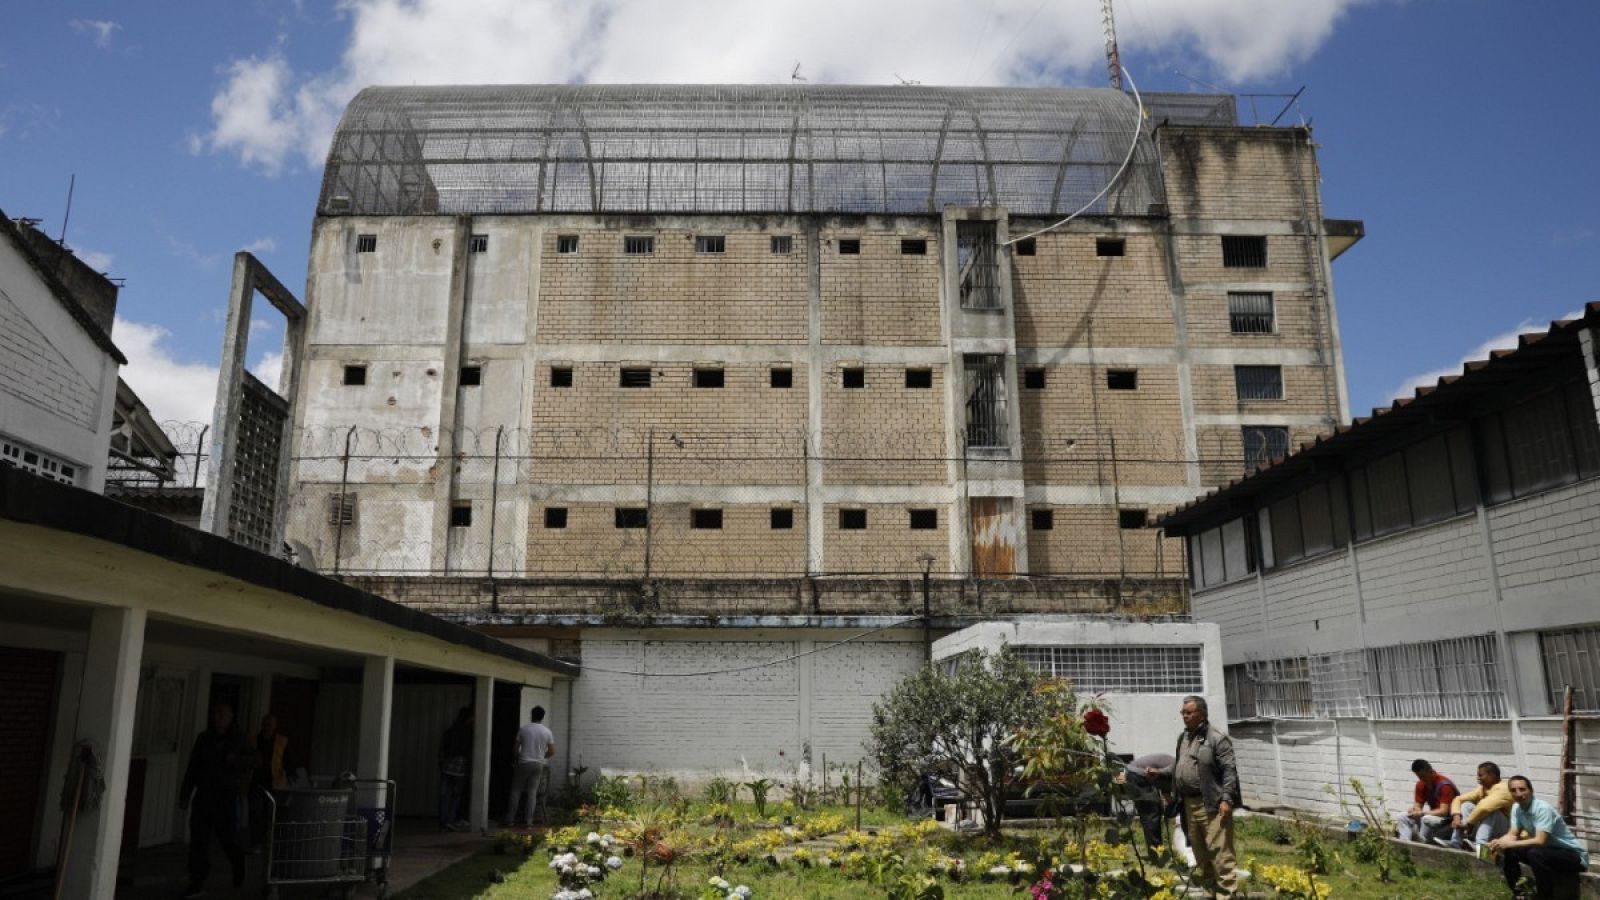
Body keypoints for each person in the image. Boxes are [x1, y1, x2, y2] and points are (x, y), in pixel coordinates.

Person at [1150, 695, 1239, 898]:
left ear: (1202, 713)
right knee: (1202, 855)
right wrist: (1161, 772)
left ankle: (1227, 895)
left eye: (1189, 712)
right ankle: (1210, 894)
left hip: (1212, 805)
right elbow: (1180, 765)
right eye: (1183, 712)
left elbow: (1229, 770)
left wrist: (1226, 799)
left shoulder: (1217, 738)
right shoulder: (1184, 738)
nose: (1185, 716)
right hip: (1189, 805)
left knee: (1221, 856)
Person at [179, 702, 258, 898]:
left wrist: (236, 761)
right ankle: (197, 881)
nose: (218, 718)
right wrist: (185, 794)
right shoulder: (204, 739)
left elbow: (257, 760)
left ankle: (238, 862)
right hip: (204, 794)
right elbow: (193, 767)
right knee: (199, 840)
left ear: (230, 717)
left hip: (226, 794)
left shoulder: (239, 738)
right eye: (216, 714)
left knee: (227, 837)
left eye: (222, 714)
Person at [1488, 775, 1589, 899]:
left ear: (1531, 790)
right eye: (1513, 790)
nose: (1518, 793)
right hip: (1547, 854)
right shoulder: (1516, 808)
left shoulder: (1542, 809)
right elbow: (1512, 834)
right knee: (1511, 850)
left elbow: (1540, 841)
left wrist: (1510, 843)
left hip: (1574, 857)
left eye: (1522, 789)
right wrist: (1498, 842)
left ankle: (1544, 896)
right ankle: (1520, 893)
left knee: (1535, 853)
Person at [1437, 760, 1512, 851]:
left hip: (1506, 831)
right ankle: (1456, 842)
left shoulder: (1503, 788)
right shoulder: (1482, 789)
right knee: (1467, 805)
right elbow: (1458, 799)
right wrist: (1456, 817)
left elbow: (1484, 807)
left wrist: (1469, 824)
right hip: (1486, 829)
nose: (1477, 778)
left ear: (1492, 776)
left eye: (1480, 775)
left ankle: (1480, 844)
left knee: (1492, 811)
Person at [505, 705, 555, 827]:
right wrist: (541, 757)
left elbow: (515, 749)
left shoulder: (524, 729)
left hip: (523, 762)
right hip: (538, 764)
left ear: (531, 715)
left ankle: (510, 819)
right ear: (543, 717)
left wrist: (517, 759)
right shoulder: (547, 731)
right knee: (532, 792)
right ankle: (529, 821)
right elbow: (552, 751)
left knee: (516, 790)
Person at [248, 714, 290, 849]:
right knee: (255, 812)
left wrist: (285, 774)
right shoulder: (253, 740)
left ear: (275, 726)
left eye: (270, 724)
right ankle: (256, 842)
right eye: (265, 724)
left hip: (274, 783)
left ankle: (269, 842)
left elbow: (288, 760)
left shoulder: (282, 741)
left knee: (270, 813)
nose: (267, 727)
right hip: (256, 781)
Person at [1397, 759, 1458, 844]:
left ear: (1431, 771)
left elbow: (1444, 811)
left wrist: (1422, 813)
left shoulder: (1445, 786)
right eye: (1419, 776)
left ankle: (1422, 842)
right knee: (1401, 816)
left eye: (1423, 776)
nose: (1422, 779)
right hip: (1433, 816)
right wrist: (1414, 810)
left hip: (1447, 820)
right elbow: (1418, 806)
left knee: (1426, 818)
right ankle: (1405, 844)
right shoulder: (1421, 784)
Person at [438, 706, 474, 831]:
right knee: (456, 795)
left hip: (447, 765)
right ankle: (451, 820)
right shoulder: (468, 732)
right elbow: (468, 751)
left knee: (444, 794)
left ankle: (443, 821)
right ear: (468, 719)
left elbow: (442, 748)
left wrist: (441, 762)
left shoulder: (450, 730)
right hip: (460, 767)